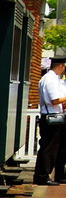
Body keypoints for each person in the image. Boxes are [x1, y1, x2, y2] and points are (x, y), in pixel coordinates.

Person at [36, 57, 66, 185]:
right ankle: (42, 175)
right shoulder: (51, 79)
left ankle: (42, 175)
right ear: (60, 66)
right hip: (51, 117)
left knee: (49, 147)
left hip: (51, 116)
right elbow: (55, 100)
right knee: (49, 148)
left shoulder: (49, 78)